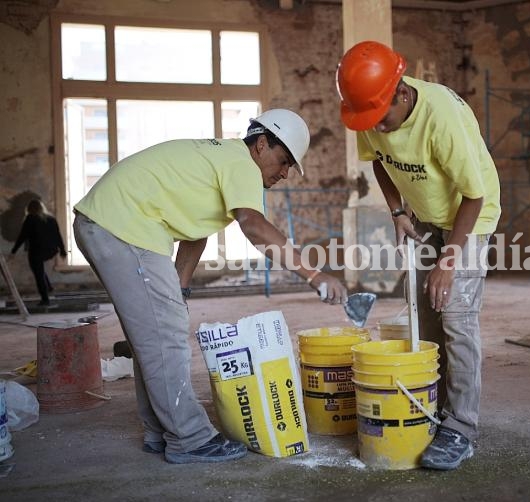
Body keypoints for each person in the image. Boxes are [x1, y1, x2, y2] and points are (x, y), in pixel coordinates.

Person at [73, 109, 348, 464]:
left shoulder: (221, 160)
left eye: (290, 168)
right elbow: (254, 226)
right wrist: (315, 275)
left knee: (154, 335)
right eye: (283, 161)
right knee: (166, 338)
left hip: (110, 221)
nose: (284, 173)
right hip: (124, 226)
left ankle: (161, 432)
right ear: (262, 144)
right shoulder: (242, 164)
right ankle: (189, 438)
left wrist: (180, 292)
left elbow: (194, 237)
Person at [336, 41, 501, 470]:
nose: (379, 128)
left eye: (382, 119)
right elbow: (378, 162)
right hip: (426, 214)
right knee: (427, 315)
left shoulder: (440, 117)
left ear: (402, 94)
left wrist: (449, 261)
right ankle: (436, 408)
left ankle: (462, 428)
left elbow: (474, 194)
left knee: (456, 316)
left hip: (470, 214)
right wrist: (397, 210)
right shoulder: (373, 112)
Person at [11, 199, 67, 306]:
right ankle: (49, 287)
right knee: (39, 268)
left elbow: (22, 236)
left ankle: (45, 299)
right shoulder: (51, 219)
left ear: (29, 209)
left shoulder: (30, 218)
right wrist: (62, 251)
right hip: (51, 250)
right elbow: (57, 236)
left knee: (38, 272)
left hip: (37, 251)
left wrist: (14, 251)